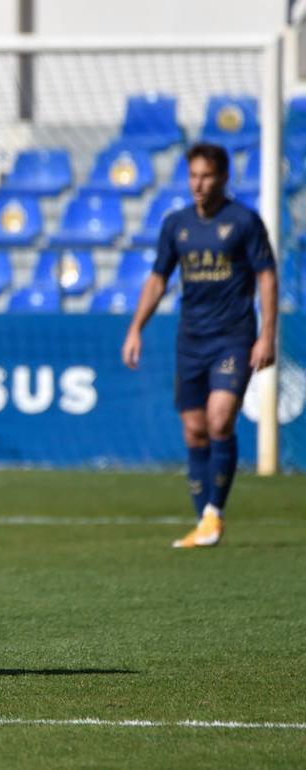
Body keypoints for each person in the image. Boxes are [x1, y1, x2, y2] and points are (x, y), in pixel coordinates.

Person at [122, 142, 277, 548]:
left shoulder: (243, 221)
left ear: (223, 178)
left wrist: (267, 334)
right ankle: (203, 521)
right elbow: (158, 280)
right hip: (190, 339)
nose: (198, 184)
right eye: (193, 175)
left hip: (233, 337)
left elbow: (266, 276)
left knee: (220, 417)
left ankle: (214, 514)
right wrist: (136, 327)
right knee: (194, 431)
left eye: (206, 176)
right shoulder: (176, 225)